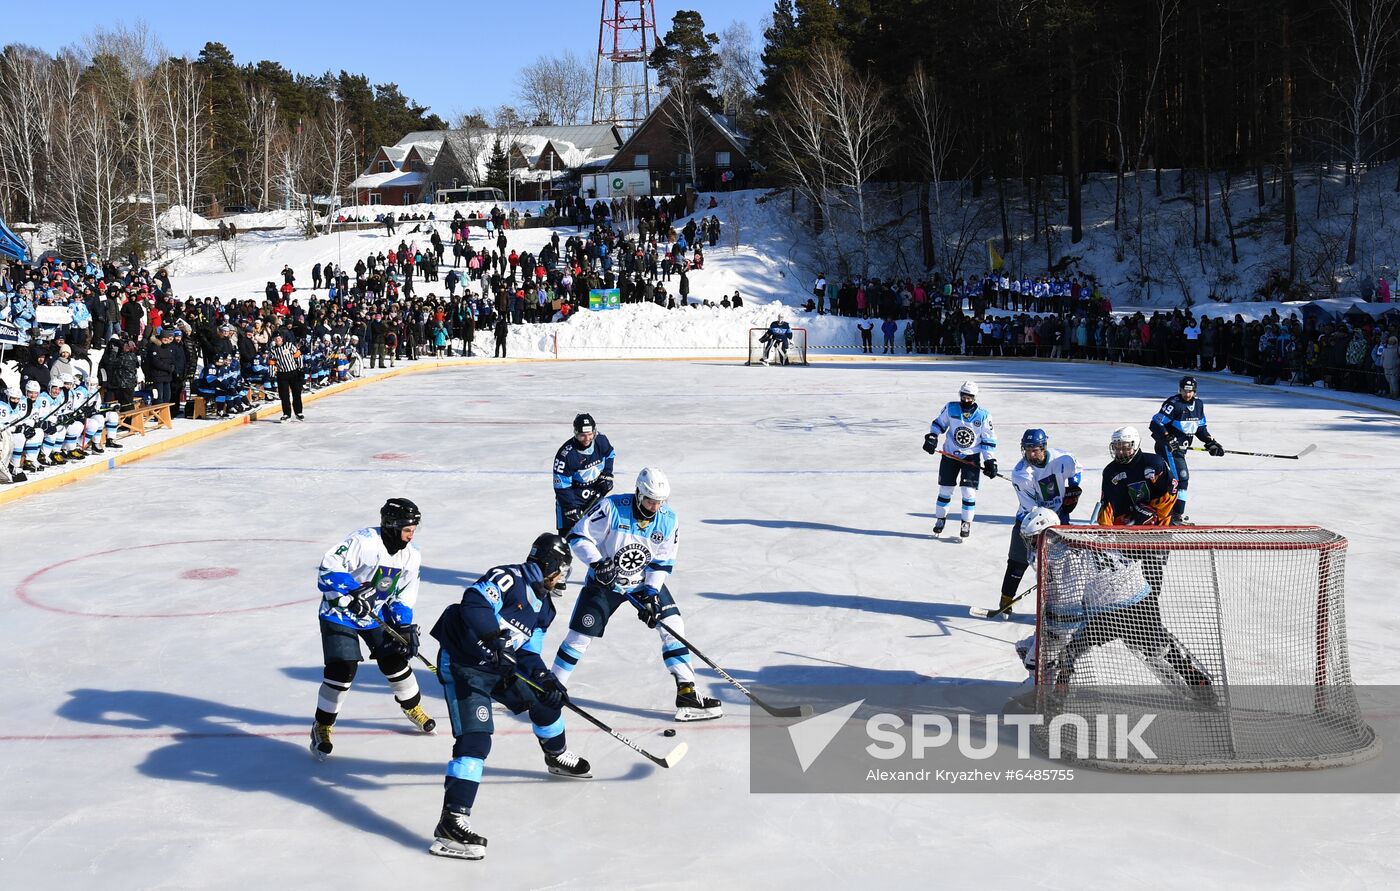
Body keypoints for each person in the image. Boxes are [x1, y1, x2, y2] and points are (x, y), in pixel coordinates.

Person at [426, 533, 587, 861]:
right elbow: (473, 601)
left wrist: (546, 678)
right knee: (476, 741)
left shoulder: (545, 608)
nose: (562, 579)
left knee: (545, 701)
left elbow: (528, 653)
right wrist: (494, 638)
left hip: (501, 666)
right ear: (547, 565)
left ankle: (556, 755)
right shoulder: (508, 577)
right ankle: (451, 822)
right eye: (561, 570)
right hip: (464, 665)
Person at [551, 467, 722, 722]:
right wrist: (598, 564)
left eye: (659, 502)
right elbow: (578, 536)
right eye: (650, 501)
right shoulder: (612, 507)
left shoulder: (668, 520)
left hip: (642, 583)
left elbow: (661, 562)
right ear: (638, 493)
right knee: (580, 636)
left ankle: (687, 692)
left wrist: (652, 593)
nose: (654, 507)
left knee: (672, 624)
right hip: (604, 583)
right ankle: (549, 689)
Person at [1012, 507, 1212, 691]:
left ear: (1048, 535)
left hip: (1108, 611)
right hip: (1142, 596)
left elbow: (1067, 609)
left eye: (1034, 540)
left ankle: (1057, 694)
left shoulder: (1061, 557)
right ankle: (1194, 677)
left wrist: (1049, 631)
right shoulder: (1082, 532)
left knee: (1067, 650)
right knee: (1159, 644)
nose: (1032, 545)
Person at [309, 498, 437, 761]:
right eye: (407, 529)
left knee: (396, 659)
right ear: (391, 526)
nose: (411, 535)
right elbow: (328, 568)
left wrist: (404, 625)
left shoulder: (412, 556)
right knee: (342, 670)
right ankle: (322, 726)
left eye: (414, 529)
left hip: (374, 615)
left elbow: (402, 594)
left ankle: (413, 708)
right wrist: (353, 590)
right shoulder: (364, 541)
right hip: (339, 612)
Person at [994, 429, 1082, 618]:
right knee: (1017, 562)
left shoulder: (1061, 458)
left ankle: (1059, 605)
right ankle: (1006, 599)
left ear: (1043, 448)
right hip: (1029, 521)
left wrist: (1073, 488)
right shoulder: (1021, 473)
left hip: (1059, 517)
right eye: (1027, 450)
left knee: (1061, 565)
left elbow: (1076, 470)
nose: (1031, 454)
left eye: (1035, 450)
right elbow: (1033, 510)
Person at [922, 380, 998, 539]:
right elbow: (938, 424)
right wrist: (932, 437)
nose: (966, 400)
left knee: (968, 492)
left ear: (975, 397)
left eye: (969, 397)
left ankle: (966, 522)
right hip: (950, 455)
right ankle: (940, 519)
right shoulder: (951, 408)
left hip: (971, 458)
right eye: (964, 396)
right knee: (945, 489)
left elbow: (988, 439)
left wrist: (990, 460)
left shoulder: (983, 415)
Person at [1148, 375, 1223, 523]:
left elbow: (1200, 429)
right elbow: (1155, 423)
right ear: (1180, 389)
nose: (1187, 394)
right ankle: (1176, 516)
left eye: (1190, 391)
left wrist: (1211, 442)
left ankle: (1160, 509)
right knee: (1182, 478)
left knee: (1170, 479)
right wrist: (1168, 438)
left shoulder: (1199, 405)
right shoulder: (1174, 404)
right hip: (1169, 448)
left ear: (1195, 392)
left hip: (1181, 449)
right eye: (1184, 391)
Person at [552, 413, 616, 537]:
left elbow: (610, 454)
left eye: (590, 434)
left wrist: (607, 474)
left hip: (596, 498)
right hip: (572, 501)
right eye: (582, 436)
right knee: (569, 540)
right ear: (575, 433)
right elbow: (561, 486)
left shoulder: (601, 441)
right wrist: (571, 507)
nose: (587, 439)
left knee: (600, 537)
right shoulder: (566, 455)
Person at [269, 332, 305, 421]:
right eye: (276, 338)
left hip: (293, 372)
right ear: (274, 340)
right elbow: (272, 363)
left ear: (282, 338)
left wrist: (300, 368)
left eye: (279, 338)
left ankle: (298, 412)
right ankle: (286, 414)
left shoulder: (289, 345)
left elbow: (298, 356)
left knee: (296, 393)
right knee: (284, 395)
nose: (278, 340)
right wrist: (272, 375)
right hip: (282, 374)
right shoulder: (273, 350)